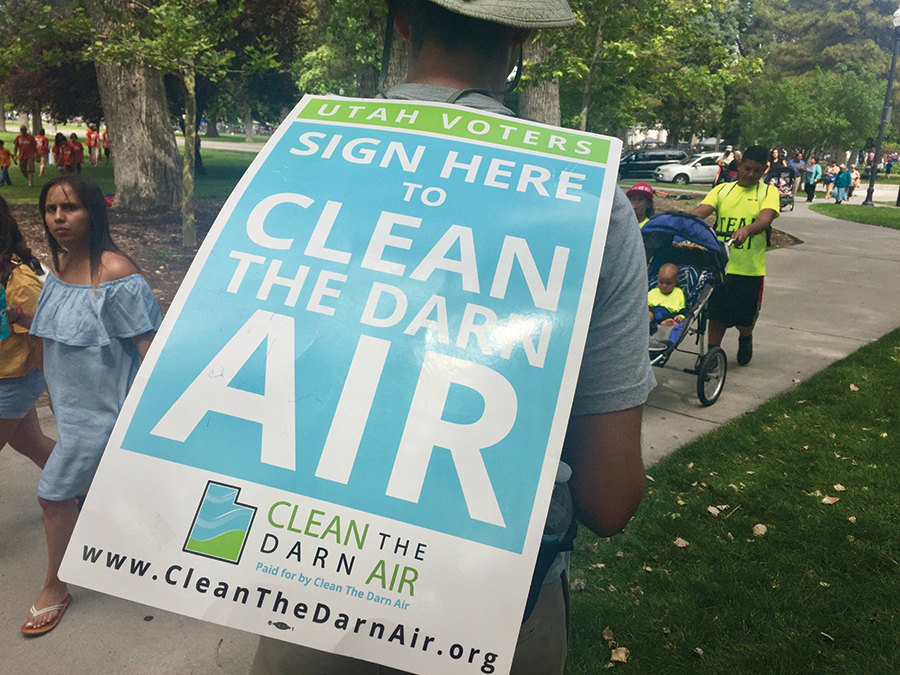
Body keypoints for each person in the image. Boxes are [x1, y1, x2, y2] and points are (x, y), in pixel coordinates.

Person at [249, 0, 654, 673]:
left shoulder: (300, 160)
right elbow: (609, 499)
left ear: (403, 19)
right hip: (496, 604)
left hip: (306, 587)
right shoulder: (585, 201)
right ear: (523, 29)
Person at [20, 175, 162, 636]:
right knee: (96, 490)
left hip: (104, 414)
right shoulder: (59, 266)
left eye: (71, 208)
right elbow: (57, 330)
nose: (59, 218)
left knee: (53, 494)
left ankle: (56, 587)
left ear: (93, 214)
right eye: (51, 210)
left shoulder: (116, 273)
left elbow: (149, 347)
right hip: (70, 407)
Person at [690, 145, 779, 366]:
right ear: (738, 165)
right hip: (720, 265)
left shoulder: (768, 192)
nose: (750, 174)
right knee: (716, 314)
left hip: (749, 268)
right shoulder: (723, 190)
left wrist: (747, 230)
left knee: (744, 318)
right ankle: (712, 354)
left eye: (757, 171)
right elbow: (702, 210)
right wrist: (682, 221)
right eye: (747, 168)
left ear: (765, 170)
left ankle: (745, 336)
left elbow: (765, 219)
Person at [0, 195, 56, 471]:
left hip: (12, 381)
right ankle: (89, 489)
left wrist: (16, 315)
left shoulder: (20, 282)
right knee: (30, 442)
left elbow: (51, 329)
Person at [648, 263, 686, 350]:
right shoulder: (653, 291)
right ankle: (647, 329)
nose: (664, 285)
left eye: (669, 283)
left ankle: (663, 329)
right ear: (657, 278)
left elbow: (682, 309)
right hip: (653, 311)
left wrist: (680, 316)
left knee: (675, 323)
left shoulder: (678, 293)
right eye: (661, 282)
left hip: (669, 314)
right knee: (647, 313)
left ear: (676, 281)